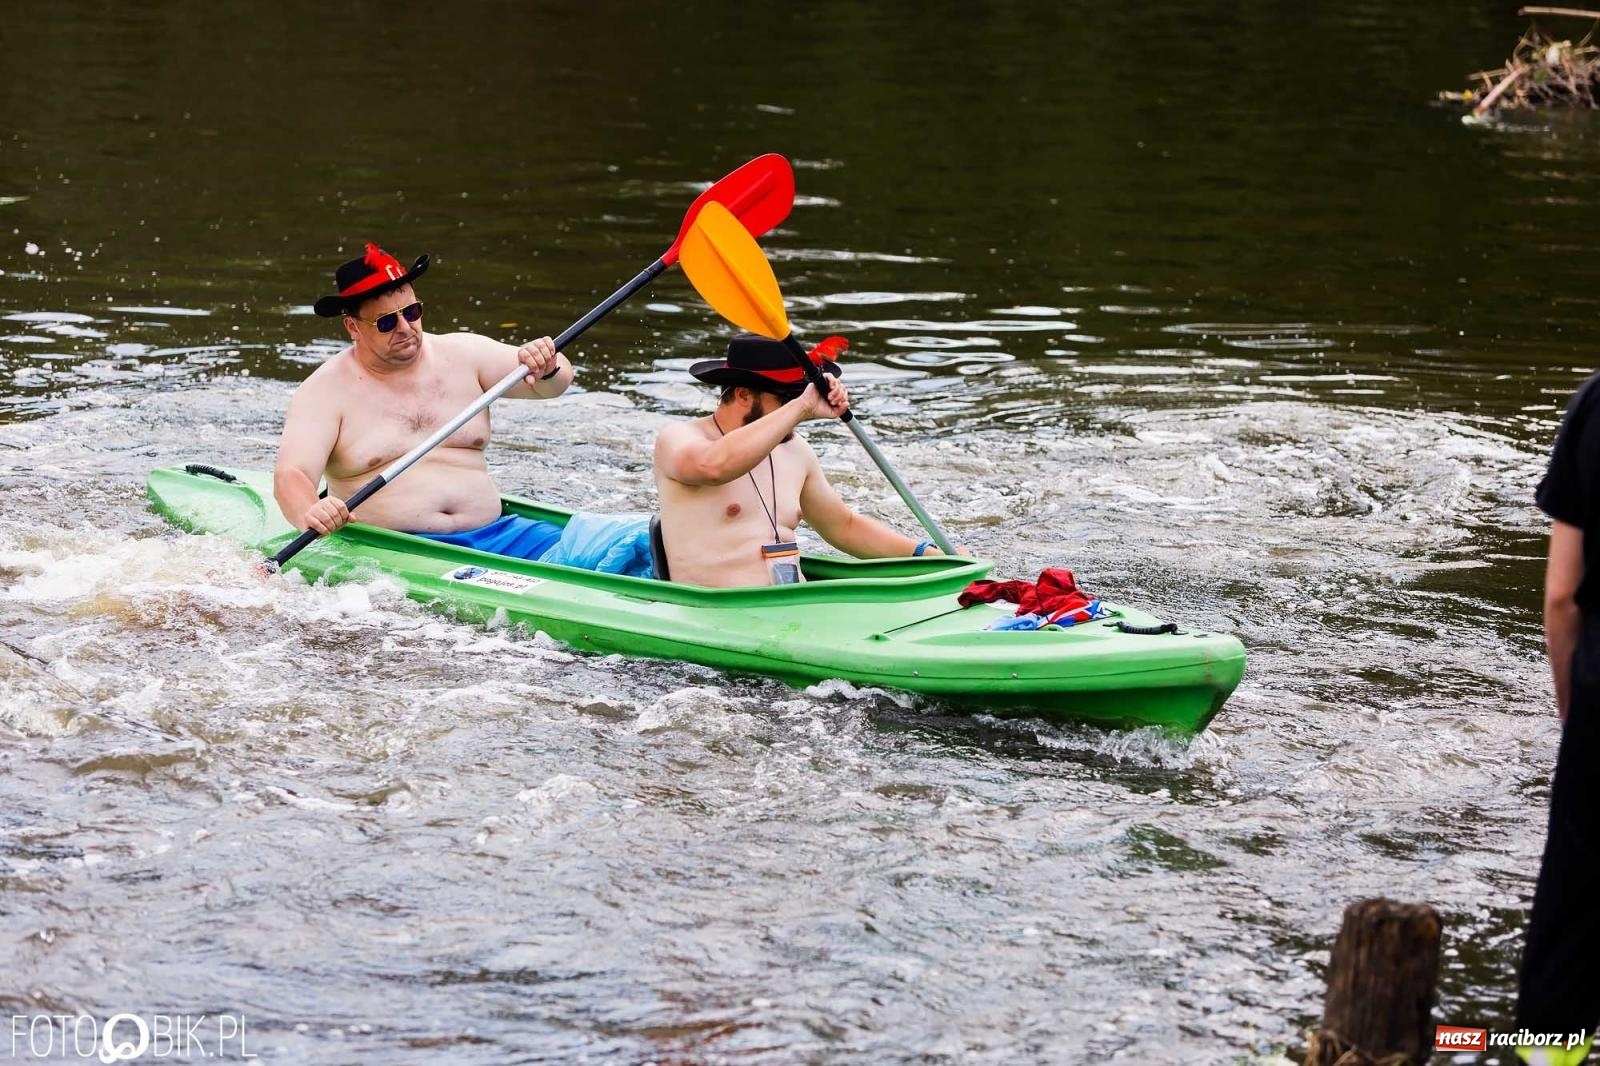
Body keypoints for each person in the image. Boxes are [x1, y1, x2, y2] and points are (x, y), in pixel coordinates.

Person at [272, 242, 575, 560]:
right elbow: (291, 475)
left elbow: (552, 386)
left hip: (500, 536)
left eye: (412, 312)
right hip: (396, 552)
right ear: (353, 327)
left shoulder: (465, 353)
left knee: (625, 547)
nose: (405, 328)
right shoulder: (324, 391)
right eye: (387, 322)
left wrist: (548, 366)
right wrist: (311, 512)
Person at [652, 333, 953, 588]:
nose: (798, 411)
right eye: (787, 399)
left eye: (800, 396)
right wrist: (804, 404)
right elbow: (713, 467)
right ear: (744, 395)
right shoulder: (678, 439)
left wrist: (930, 556)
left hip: (791, 608)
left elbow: (843, 526)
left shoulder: (796, 450)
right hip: (711, 612)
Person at [1519, 372, 1600, 1053]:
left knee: (1570, 927)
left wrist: (1574, 711)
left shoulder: (1597, 405)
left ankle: (1550, 1046)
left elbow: (1561, 598)